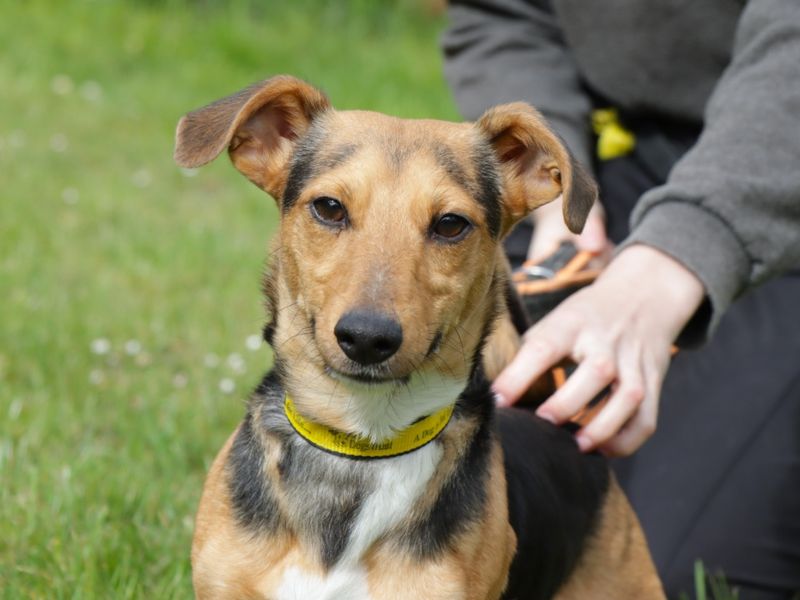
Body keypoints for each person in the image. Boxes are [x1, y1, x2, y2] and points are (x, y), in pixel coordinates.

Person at [442, 1, 800, 597]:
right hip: (616, 164)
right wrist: (559, 188)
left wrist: (667, 267)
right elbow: (505, 14)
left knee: (674, 572)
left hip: (776, 169)